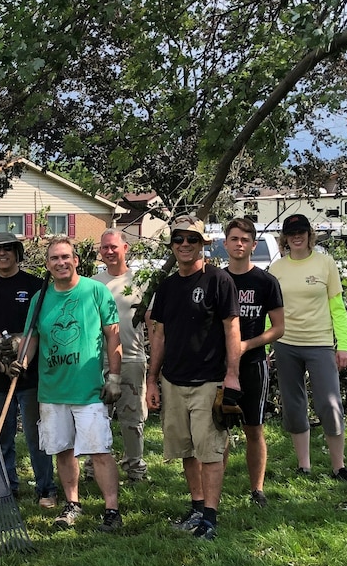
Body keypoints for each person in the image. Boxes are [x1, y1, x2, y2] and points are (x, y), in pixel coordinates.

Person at [146, 216, 242, 541]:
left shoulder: (219, 281)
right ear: (172, 246)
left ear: (204, 244)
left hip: (208, 380)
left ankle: (211, 519)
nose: (185, 245)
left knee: (210, 451)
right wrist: (151, 380)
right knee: (185, 449)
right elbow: (158, 334)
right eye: (178, 240)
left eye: (192, 239)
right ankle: (197, 508)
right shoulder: (168, 286)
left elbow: (232, 329)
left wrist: (232, 375)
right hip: (173, 382)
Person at [18, 237, 123, 532]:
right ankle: (72, 504)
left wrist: (114, 376)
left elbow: (113, 335)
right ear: (48, 265)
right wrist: (21, 363)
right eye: (54, 259)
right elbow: (31, 339)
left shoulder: (95, 291)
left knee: (99, 450)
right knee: (62, 450)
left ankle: (112, 510)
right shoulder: (40, 299)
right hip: (52, 391)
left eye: (66, 257)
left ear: (76, 260)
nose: (61, 263)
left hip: (88, 390)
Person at [267, 213, 347, 483]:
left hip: (320, 344)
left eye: (302, 232)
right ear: (285, 238)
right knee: (294, 406)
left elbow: (338, 308)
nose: (297, 237)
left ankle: (338, 467)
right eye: (291, 233)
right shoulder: (277, 269)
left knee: (330, 404)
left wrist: (343, 346)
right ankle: (304, 466)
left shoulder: (325, 264)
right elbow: (269, 312)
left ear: (310, 235)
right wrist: (265, 345)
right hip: (286, 344)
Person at [0, 231, 57, 507]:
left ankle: (46, 489)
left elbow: (43, 329)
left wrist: (22, 346)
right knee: (3, 436)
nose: (3, 254)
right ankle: (7, 486)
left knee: (36, 437)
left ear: (17, 253)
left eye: (8, 249)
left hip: (30, 377)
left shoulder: (36, 287)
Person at [222, 217, 285, 507]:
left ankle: (257, 490)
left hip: (254, 363)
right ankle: (214, 491)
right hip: (219, 367)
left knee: (254, 429)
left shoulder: (266, 282)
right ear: (225, 244)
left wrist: (247, 344)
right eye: (234, 239)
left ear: (253, 245)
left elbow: (278, 328)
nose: (239, 244)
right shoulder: (218, 280)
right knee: (218, 430)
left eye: (245, 240)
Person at [92, 229, 149, 483]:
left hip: (132, 358)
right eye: (105, 247)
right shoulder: (93, 284)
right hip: (97, 361)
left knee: (132, 418)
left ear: (125, 248)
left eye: (114, 247)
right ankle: (94, 467)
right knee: (95, 416)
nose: (109, 251)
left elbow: (154, 324)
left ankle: (135, 468)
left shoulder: (141, 282)